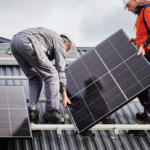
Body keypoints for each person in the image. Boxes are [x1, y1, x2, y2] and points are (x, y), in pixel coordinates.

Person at [10, 27, 72, 121]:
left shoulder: (48, 37)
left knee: (34, 76)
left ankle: (32, 110)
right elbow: (61, 68)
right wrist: (64, 94)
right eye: (66, 50)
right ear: (67, 44)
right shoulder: (60, 42)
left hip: (14, 42)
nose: (64, 52)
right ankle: (51, 111)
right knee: (52, 74)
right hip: (28, 42)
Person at [123, 0, 150, 124]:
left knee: (143, 84)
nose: (128, 9)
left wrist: (143, 45)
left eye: (128, 5)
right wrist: (138, 41)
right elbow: (146, 33)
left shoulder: (147, 10)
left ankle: (149, 117)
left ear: (135, 1)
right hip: (145, 51)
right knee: (142, 84)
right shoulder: (141, 13)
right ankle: (147, 113)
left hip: (148, 52)